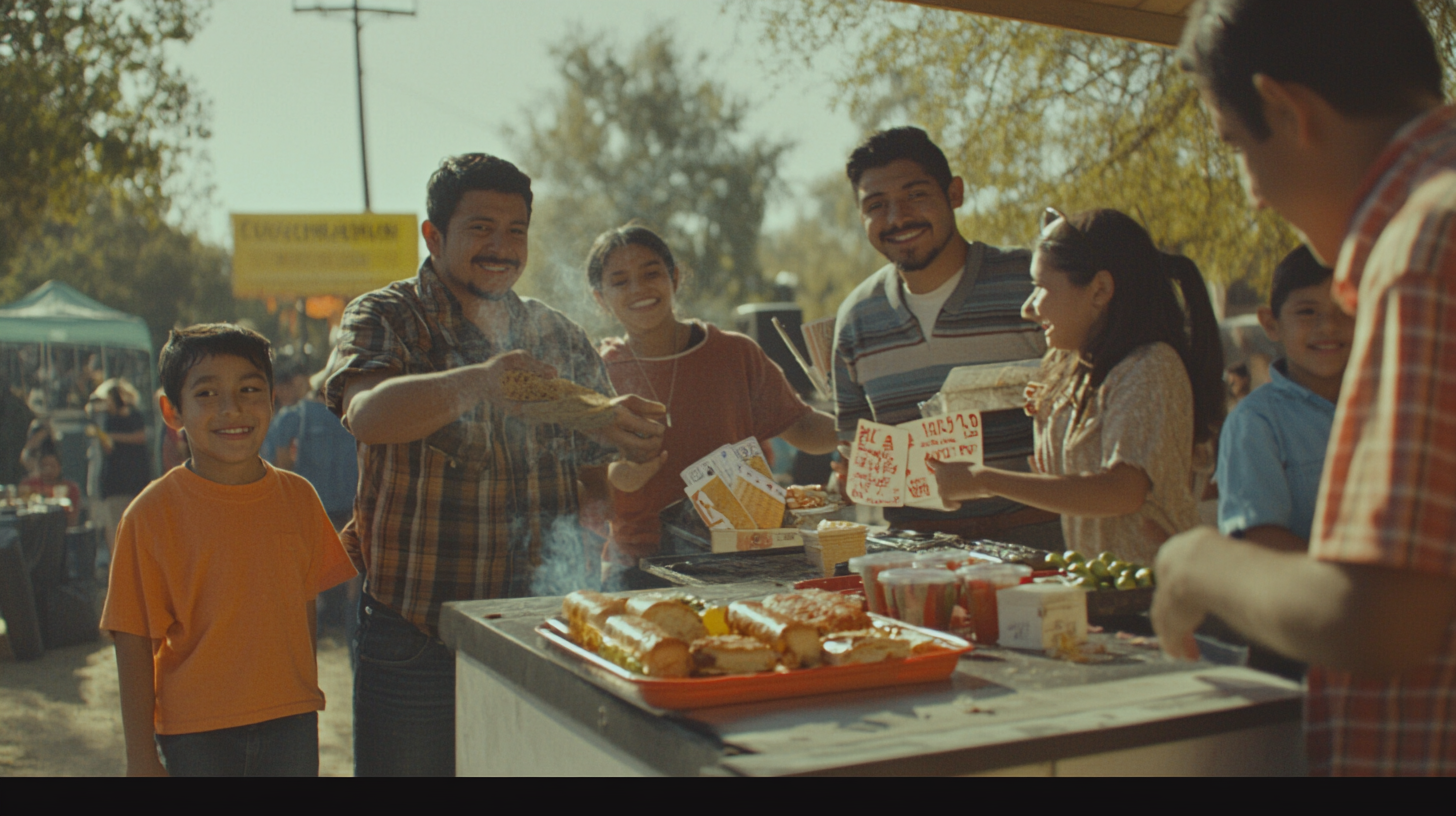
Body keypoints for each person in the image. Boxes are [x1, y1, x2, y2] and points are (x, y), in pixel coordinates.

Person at [1153, 0, 1456, 775]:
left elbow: (1377, 623)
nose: (1252, 193)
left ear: (1287, 111)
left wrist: (1196, 563)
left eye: (1235, 146)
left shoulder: (1423, 248)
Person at [324, 153, 665, 776]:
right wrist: (480, 383)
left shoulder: (557, 334)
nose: (501, 246)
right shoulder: (388, 316)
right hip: (417, 638)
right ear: (434, 235)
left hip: (544, 631)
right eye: (480, 227)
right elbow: (367, 414)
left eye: (516, 231)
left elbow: (595, 484)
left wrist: (634, 457)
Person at [101, 324, 355, 776]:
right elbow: (134, 639)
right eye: (207, 394)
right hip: (196, 734)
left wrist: (298, 692)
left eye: (249, 389)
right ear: (171, 411)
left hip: (291, 724)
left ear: (273, 398)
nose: (232, 408)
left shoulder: (298, 498)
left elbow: (305, 608)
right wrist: (140, 755)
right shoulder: (150, 515)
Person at [931, 209, 1225, 565]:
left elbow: (1121, 492)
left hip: (1158, 596)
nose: (1028, 309)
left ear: (1099, 290)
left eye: (1040, 288)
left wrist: (983, 479)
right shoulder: (1072, 367)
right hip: (1100, 592)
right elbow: (1069, 480)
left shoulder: (1150, 366)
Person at [832, 127, 1052, 544]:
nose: (897, 218)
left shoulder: (1033, 285)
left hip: (1041, 542)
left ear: (954, 193)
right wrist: (849, 474)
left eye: (915, 195)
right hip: (915, 559)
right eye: (876, 205)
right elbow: (854, 450)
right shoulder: (857, 318)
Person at [589, 224, 838, 581]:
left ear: (674, 277)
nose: (639, 288)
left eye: (651, 273)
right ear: (600, 298)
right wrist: (621, 478)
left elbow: (802, 426)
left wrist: (857, 429)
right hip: (638, 564)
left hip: (744, 556)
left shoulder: (733, 353)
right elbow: (586, 484)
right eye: (619, 281)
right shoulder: (598, 372)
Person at [1217, 246, 1353, 551]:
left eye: (1345, 308)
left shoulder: (1392, 407)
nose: (1329, 326)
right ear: (1271, 323)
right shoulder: (1256, 422)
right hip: (1309, 594)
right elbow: (1257, 540)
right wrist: (1359, 587)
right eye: (1307, 311)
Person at [262, 369, 361, 653]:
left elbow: (281, 463)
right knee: (351, 574)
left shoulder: (294, 416)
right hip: (351, 509)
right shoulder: (351, 415)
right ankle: (349, 628)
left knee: (307, 574)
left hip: (313, 508)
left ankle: (307, 632)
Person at [93, 378, 150, 576]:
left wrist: (113, 437)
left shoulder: (134, 415)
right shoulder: (107, 419)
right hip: (114, 482)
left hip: (135, 481)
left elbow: (140, 437)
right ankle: (118, 568)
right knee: (114, 525)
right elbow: (108, 449)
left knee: (136, 526)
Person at [19, 439, 82, 527]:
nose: (48, 470)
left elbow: (73, 519)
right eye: (45, 466)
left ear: (59, 467)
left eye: (52, 466)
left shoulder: (70, 487)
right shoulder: (30, 484)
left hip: (60, 531)